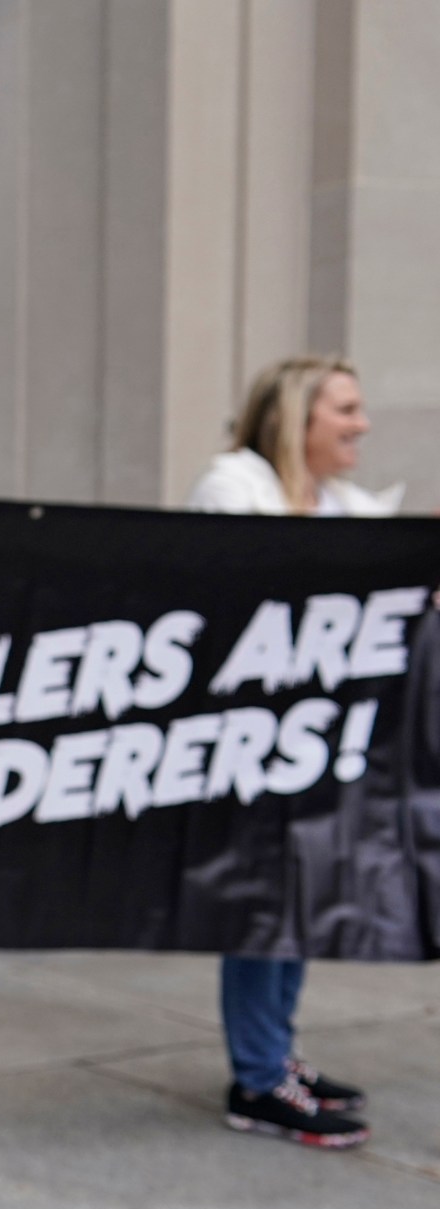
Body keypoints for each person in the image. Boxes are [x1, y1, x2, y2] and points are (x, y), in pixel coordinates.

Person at [187, 355, 396, 1148]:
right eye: (345, 408)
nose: (361, 425)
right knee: (261, 907)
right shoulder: (233, 485)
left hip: (317, 749)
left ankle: (276, 1055)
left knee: (298, 903)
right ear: (295, 417)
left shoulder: (346, 505)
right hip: (250, 746)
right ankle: (257, 1079)